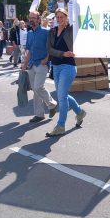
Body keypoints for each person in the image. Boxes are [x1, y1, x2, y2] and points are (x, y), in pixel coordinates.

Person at [45, 7, 86, 136]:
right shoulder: (52, 31)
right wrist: (63, 53)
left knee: (61, 97)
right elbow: (49, 50)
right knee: (63, 95)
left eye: (61, 17)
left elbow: (82, 23)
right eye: (57, 17)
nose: (59, 19)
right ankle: (80, 112)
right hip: (56, 67)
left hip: (68, 67)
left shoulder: (71, 30)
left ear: (66, 17)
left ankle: (60, 125)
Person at [23, 11, 58, 123]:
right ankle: (39, 114)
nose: (31, 19)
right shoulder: (29, 33)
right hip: (32, 64)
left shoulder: (45, 32)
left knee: (38, 87)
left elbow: (51, 48)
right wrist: (24, 64)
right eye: (30, 18)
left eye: (34, 18)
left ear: (38, 19)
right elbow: (29, 51)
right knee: (35, 90)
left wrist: (47, 59)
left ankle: (52, 103)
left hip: (42, 64)